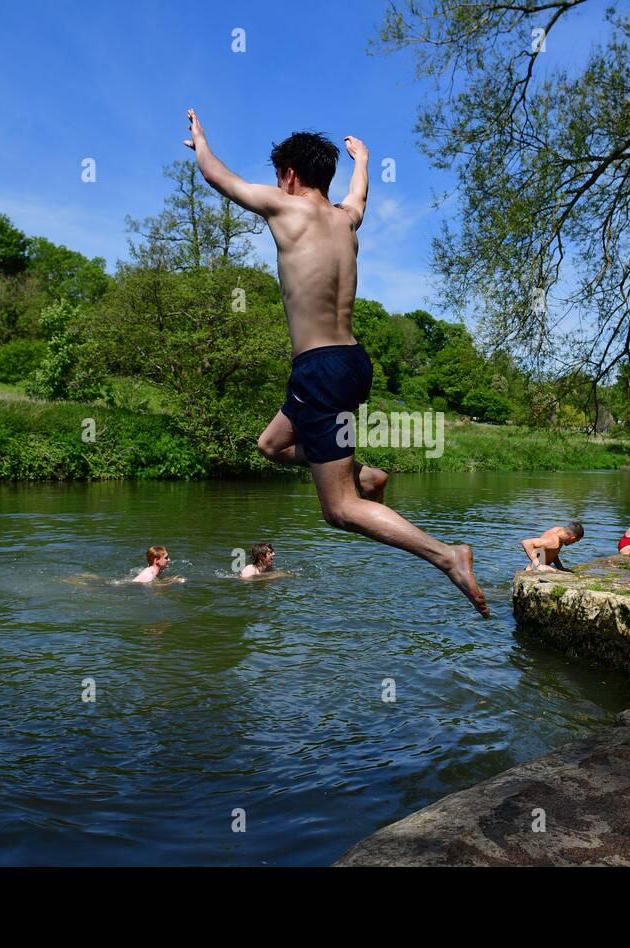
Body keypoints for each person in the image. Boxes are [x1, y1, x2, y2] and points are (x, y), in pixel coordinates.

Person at [184, 110, 487, 616]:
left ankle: (447, 556)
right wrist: (363, 160)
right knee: (272, 443)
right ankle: (364, 476)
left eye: (280, 173)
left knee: (339, 511)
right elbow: (360, 194)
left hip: (320, 368)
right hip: (350, 363)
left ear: (290, 175)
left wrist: (199, 141)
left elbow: (218, 176)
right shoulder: (347, 219)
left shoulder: (285, 208)